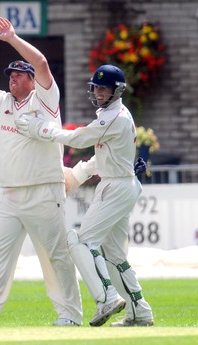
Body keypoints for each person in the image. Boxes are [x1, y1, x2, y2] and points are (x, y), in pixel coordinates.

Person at [0, 18, 83, 327]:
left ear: (30, 79)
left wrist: (10, 38)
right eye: (9, 75)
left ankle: (70, 315)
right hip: (10, 193)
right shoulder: (3, 103)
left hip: (44, 190)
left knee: (55, 256)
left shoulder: (45, 99)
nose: (12, 80)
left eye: (18, 75)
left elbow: (40, 61)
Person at [15, 64, 154, 327]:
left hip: (116, 187)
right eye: (97, 87)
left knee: (80, 241)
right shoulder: (113, 114)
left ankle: (107, 298)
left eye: (105, 88)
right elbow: (101, 158)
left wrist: (38, 128)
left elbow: (77, 139)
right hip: (121, 184)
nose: (99, 92)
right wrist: (78, 176)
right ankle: (140, 312)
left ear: (118, 90)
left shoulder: (113, 118)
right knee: (114, 255)